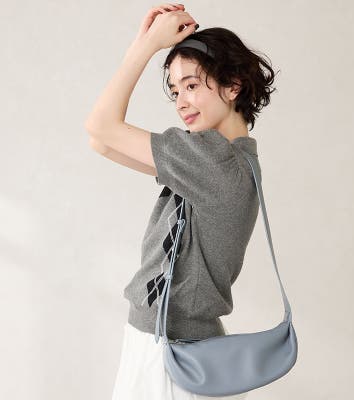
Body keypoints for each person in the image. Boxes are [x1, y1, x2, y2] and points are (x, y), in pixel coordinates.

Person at [85, 3, 277, 399]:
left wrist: (146, 47)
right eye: (175, 91)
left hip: (171, 352)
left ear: (233, 86)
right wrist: (143, 44)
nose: (181, 102)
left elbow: (100, 126)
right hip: (168, 346)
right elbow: (102, 142)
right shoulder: (225, 159)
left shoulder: (214, 162)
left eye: (191, 85)